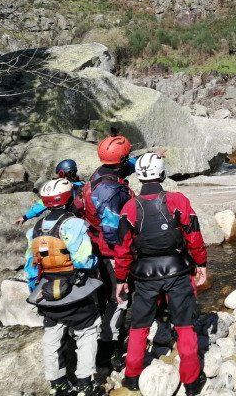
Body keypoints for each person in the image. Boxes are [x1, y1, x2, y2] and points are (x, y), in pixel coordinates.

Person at [113, 152, 208, 395]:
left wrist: (121, 279)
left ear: (139, 177)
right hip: (177, 270)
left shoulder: (129, 207)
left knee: (139, 324)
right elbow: (194, 236)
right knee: (185, 325)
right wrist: (201, 264)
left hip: (144, 275)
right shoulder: (178, 200)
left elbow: (122, 248)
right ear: (163, 174)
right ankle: (191, 381)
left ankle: (132, 376)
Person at [24, 179, 102, 396]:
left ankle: (58, 384)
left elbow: (30, 266)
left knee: (51, 335)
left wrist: (35, 290)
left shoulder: (34, 230)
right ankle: (85, 383)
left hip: (47, 289)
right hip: (75, 290)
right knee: (87, 332)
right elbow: (84, 260)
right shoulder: (74, 224)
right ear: (69, 199)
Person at [81, 133, 137, 370]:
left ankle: (108, 335)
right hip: (110, 250)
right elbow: (113, 230)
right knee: (118, 298)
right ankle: (109, 348)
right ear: (121, 160)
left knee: (107, 296)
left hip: (96, 245)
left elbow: (126, 164)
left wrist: (145, 160)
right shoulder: (111, 191)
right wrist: (126, 256)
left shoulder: (100, 174)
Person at [14, 159, 85, 225]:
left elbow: (43, 204)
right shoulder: (84, 185)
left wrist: (25, 217)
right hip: (84, 219)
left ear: (62, 174)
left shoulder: (60, 188)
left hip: (67, 220)